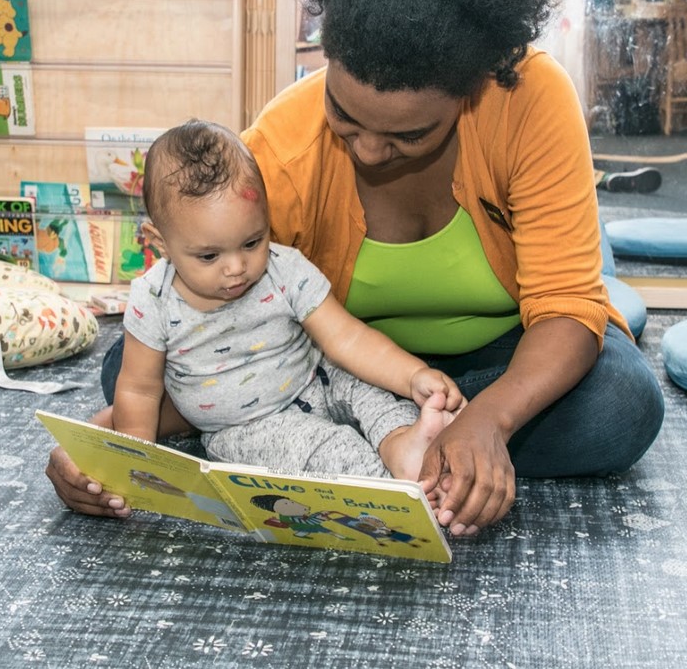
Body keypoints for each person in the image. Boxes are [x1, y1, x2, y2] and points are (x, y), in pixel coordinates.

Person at [48, 0, 664, 537]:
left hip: (497, 354)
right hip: (331, 359)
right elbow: (220, 325)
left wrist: (491, 418)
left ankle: (407, 440)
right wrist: (102, 445)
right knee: (130, 365)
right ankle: (414, 445)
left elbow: (566, 304)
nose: (369, 150)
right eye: (345, 117)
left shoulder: (526, 97)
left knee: (620, 405)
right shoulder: (282, 148)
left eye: (409, 135)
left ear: (468, 88)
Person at [106, 120, 465, 492]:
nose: (236, 268)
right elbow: (139, 390)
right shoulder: (153, 301)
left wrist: (412, 375)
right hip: (246, 427)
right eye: (210, 256)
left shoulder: (283, 267)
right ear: (159, 242)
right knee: (323, 449)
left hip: (315, 380)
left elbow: (348, 338)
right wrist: (135, 462)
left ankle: (402, 442)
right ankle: (390, 489)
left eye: (252, 242)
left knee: (370, 388)